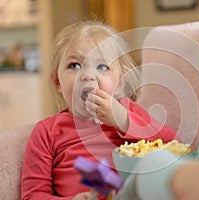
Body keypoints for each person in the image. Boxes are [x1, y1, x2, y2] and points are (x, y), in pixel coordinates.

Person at [21, 20, 180, 200]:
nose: (88, 76)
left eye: (102, 67)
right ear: (58, 82)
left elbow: (174, 144)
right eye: (74, 66)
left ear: (120, 83)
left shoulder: (128, 112)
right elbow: (33, 195)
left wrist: (123, 120)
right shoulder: (46, 132)